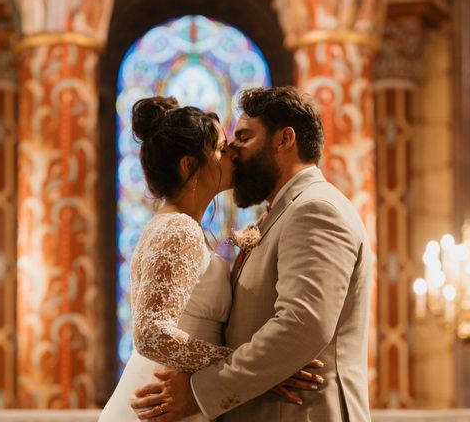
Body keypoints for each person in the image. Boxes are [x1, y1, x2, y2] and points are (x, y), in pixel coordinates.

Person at [131, 86, 372, 422]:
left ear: (283, 140)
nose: (234, 152)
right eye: (224, 146)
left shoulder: (315, 209)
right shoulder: (276, 215)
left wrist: (204, 389)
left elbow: (302, 324)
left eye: (243, 138)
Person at [98, 95, 320, 422]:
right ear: (189, 165)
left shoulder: (176, 225)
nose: (231, 154)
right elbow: (151, 334)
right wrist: (251, 368)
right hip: (163, 401)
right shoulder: (179, 228)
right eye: (219, 148)